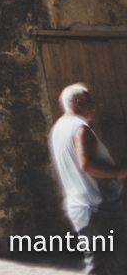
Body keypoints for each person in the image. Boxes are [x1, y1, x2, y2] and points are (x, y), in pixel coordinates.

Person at [50, 83, 127, 275]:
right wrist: (118, 172)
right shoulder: (79, 128)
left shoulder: (58, 128)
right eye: (89, 101)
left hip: (81, 209)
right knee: (117, 265)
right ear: (78, 103)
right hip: (99, 210)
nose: (93, 106)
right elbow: (86, 164)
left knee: (98, 265)